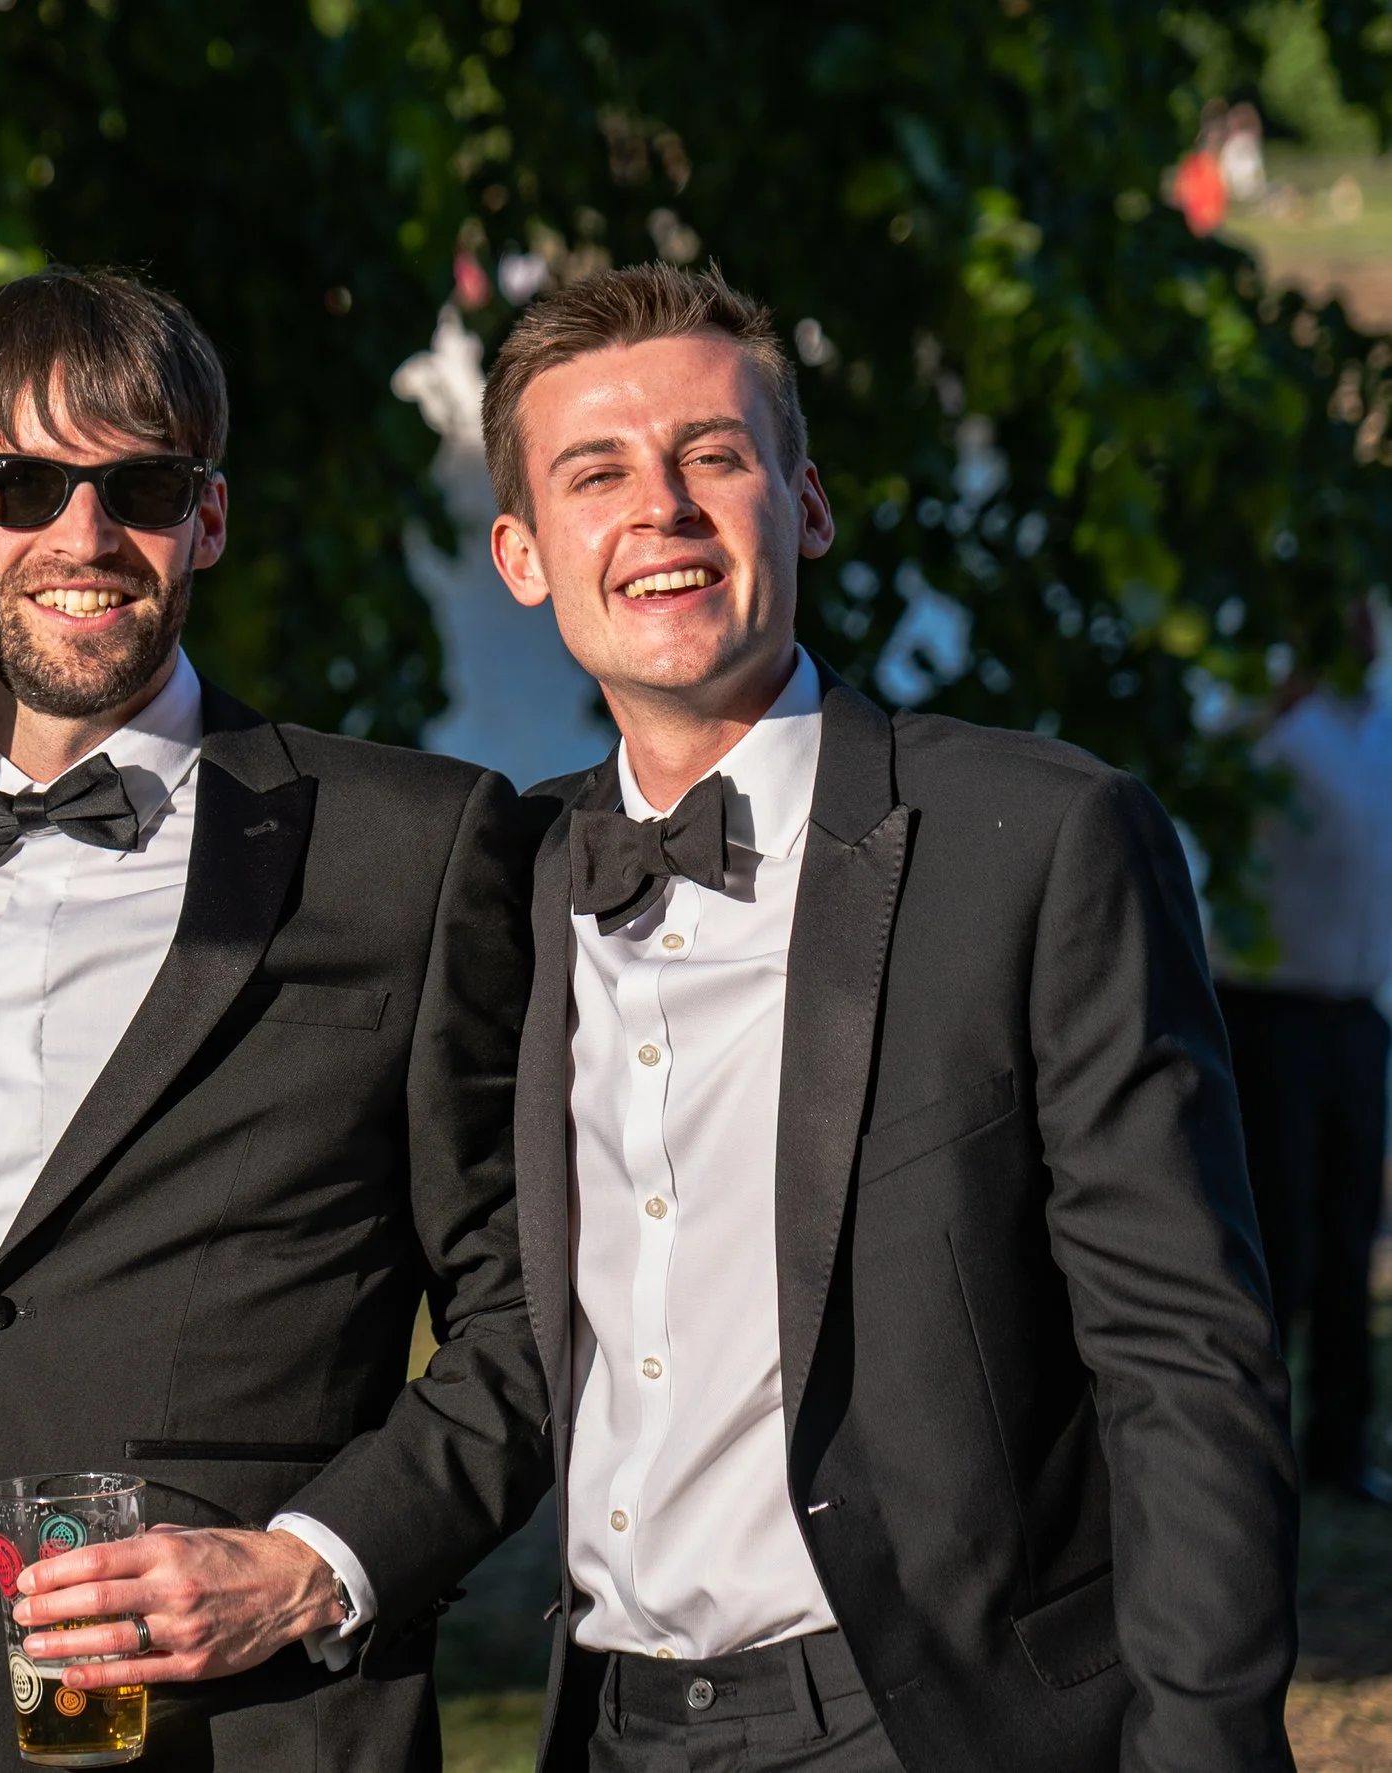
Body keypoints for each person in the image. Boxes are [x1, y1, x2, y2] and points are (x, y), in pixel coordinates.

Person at [481, 263, 1298, 1772]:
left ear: (809, 505)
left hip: (934, 1725)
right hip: (606, 1724)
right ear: (525, 555)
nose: (659, 508)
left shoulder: (1044, 841)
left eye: (713, 456)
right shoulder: (503, 882)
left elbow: (1186, 1361)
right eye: (596, 473)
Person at [0, 267, 550, 1771]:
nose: (84, 538)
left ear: (205, 517)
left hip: (265, 1727)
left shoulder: (415, 848)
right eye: (21, 483)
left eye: (138, 486)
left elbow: (537, 1309)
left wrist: (319, 1563)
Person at [1216, 616, 1392, 1504]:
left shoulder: (1381, 719)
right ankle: (1258, 1447)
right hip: (1269, 1007)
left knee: (1349, 1228)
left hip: (1356, 1012)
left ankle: (1340, 1445)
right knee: (1276, 1229)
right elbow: (1200, 785)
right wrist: (1268, 703)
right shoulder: (1272, 718)